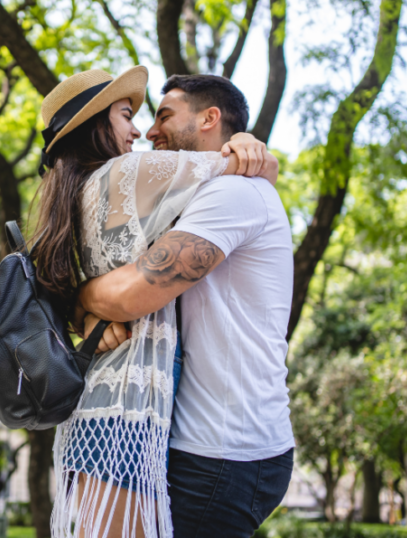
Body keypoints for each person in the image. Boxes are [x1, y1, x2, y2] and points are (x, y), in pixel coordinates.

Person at [29, 67, 275, 538]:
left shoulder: (74, 190)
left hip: (106, 406)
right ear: (96, 125)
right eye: (126, 115)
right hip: (125, 413)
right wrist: (254, 148)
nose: (140, 130)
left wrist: (82, 304)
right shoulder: (129, 173)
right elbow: (238, 166)